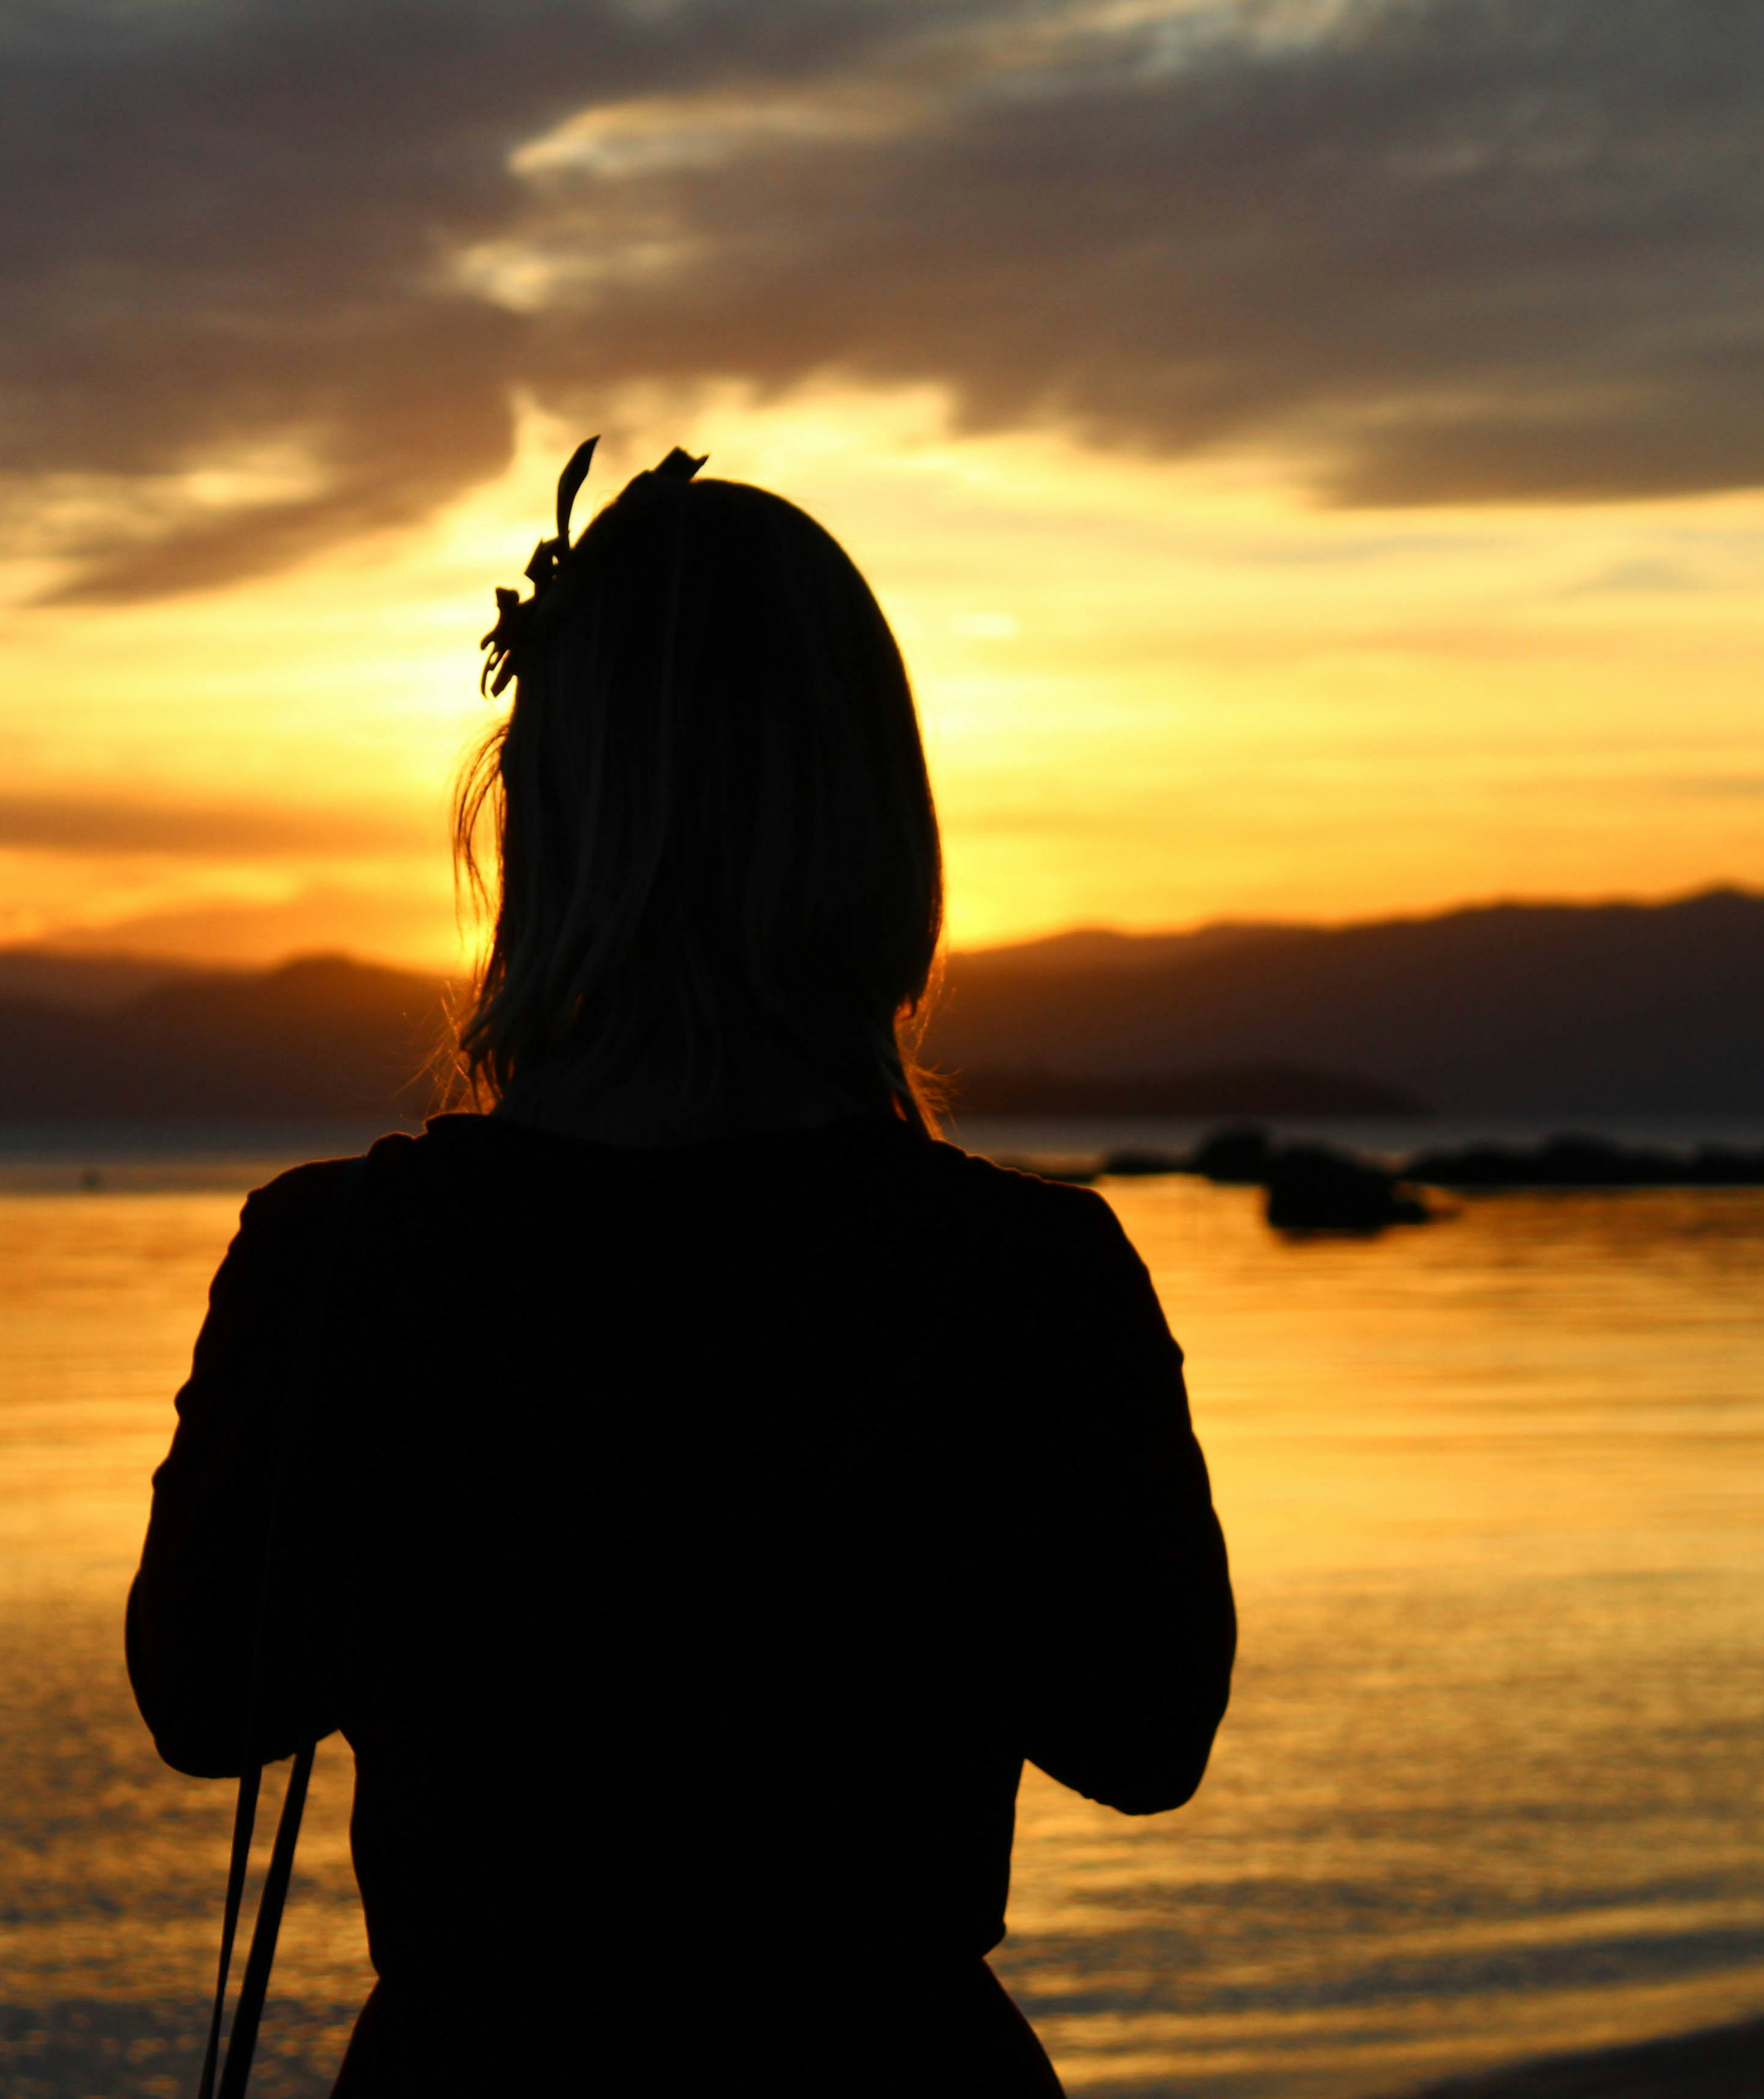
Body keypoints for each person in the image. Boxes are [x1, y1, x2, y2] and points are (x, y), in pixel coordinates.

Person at [127, 443, 1234, 2096]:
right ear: (877, 824)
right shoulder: (1018, 1278)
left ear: (542, 824)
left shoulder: (346, 1261)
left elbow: (208, 1698)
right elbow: (1146, 1737)